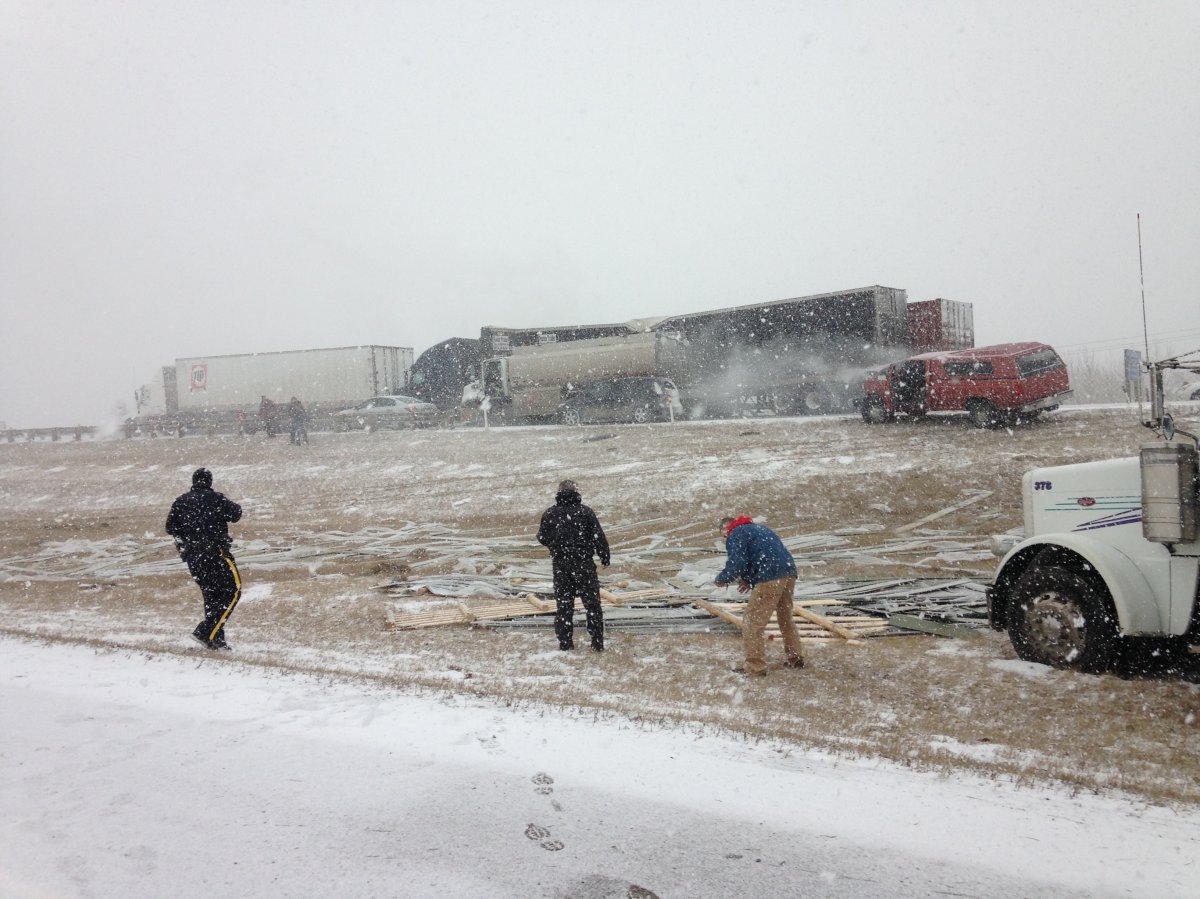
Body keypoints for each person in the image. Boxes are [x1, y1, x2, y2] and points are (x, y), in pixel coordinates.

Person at [714, 515, 804, 676]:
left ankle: (755, 667)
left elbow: (739, 562)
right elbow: (761, 555)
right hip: (789, 573)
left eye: (724, 535)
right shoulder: (761, 529)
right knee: (785, 617)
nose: (726, 538)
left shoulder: (736, 533)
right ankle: (795, 657)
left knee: (752, 622)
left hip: (770, 576)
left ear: (726, 529)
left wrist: (723, 578)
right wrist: (749, 579)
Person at [165, 468, 244, 650]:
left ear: (193, 482)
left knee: (212, 596)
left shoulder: (180, 501)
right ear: (209, 482)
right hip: (216, 554)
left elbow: (170, 527)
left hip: (194, 557)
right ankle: (205, 631)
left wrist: (187, 538)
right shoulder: (216, 498)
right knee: (233, 590)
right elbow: (236, 514)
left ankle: (216, 639)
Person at [536, 479, 610, 651]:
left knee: (564, 605)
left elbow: (541, 536)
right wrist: (604, 558)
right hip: (584, 563)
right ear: (576, 493)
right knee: (592, 604)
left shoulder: (550, 513)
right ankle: (597, 642)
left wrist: (555, 545)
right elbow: (599, 536)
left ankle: (565, 643)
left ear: (559, 493)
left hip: (561, 565)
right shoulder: (585, 512)